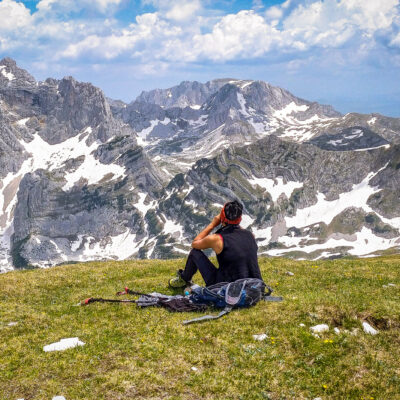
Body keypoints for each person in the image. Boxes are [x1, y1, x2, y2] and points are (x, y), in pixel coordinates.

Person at [168, 200, 263, 288]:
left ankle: (184, 279)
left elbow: (195, 244)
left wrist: (213, 224)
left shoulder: (217, 239)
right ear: (240, 218)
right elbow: (237, 232)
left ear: (222, 216)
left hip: (226, 289)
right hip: (254, 287)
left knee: (194, 253)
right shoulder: (250, 235)